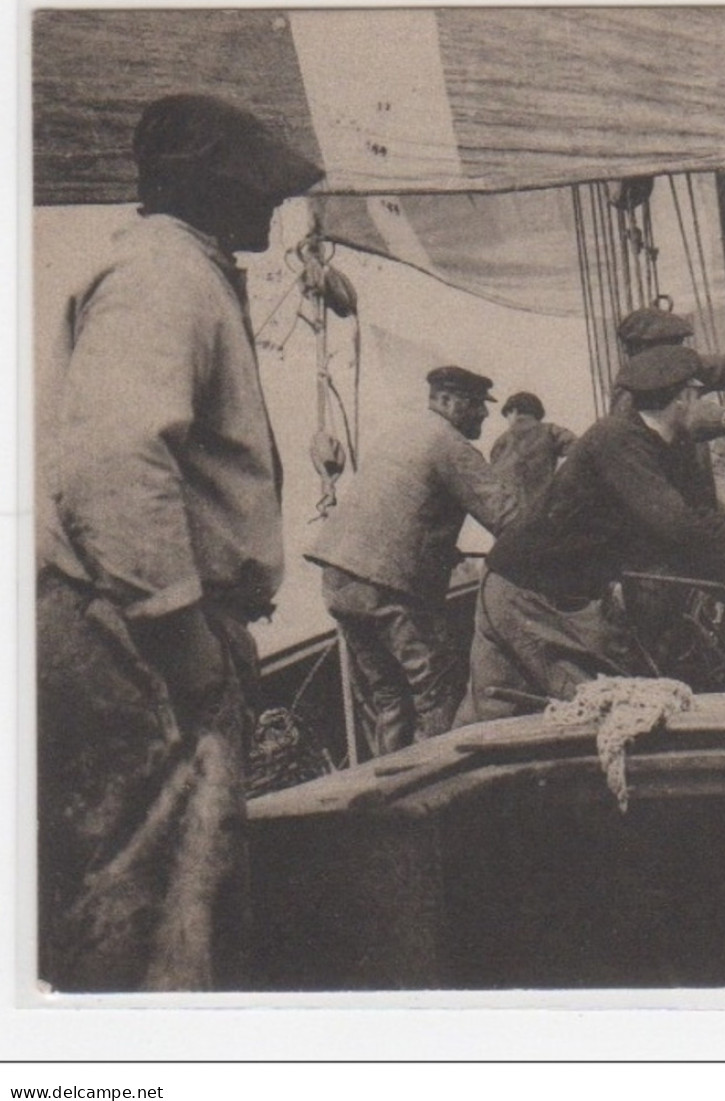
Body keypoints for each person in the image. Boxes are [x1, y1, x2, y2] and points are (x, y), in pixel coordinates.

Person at [35, 93, 323, 991]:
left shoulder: (181, 269)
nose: (275, 205)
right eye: (259, 186)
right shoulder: (166, 275)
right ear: (208, 183)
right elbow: (113, 464)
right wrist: (178, 630)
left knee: (165, 897)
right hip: (137, 634)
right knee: (156, 909)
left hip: (133, 626)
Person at [456, 345, 725, 724]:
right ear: (685, 398)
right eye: (704, 398)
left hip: (510, 585)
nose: (710, 409)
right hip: (530, 597)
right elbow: (675, 522)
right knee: (608, 710)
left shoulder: (650, 441)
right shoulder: (619, 442)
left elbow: (690, 520)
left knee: (486, 718)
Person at [308, 366, 516, 755]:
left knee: (388, 694)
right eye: (476, 406)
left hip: (339, 580)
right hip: (387, 586)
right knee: (437, 688)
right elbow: (508, 517)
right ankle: (438, 792)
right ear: (448, 403)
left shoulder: (400, 433)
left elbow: (397, 509)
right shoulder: (449, 444)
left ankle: (390, 791)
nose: (485, 415)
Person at [490, 390, 576, 514]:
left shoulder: (500, 442)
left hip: (509, 515)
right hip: (543, 509)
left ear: (512, 411)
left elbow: (493, 476)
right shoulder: (550, 430)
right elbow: (576, 448)